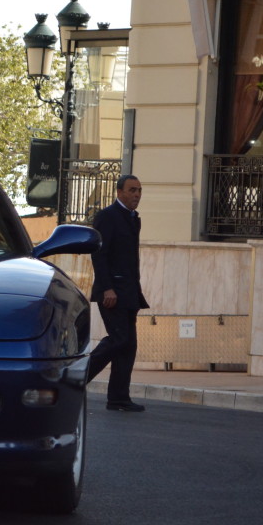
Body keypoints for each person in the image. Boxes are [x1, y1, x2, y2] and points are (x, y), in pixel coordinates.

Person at [86, 174, 149, 412]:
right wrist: (107, 288)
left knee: (128, 345)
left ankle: (119, 398)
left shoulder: (133, 218)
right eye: (132, 190)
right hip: (111, 292)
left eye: (139, 190)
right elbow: (99, 254)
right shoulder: (107, 217)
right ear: (119, 192)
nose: (137, 195)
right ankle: (76, 378)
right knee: (120, 339)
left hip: (130, 292)